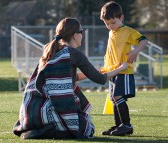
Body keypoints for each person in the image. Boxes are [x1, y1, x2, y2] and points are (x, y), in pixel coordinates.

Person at [13, 17, 128, 139]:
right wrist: (121, 68)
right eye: (81, 31)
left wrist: (101, 71)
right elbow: (100, 79)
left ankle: (41, 128)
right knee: (86, 129)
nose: (82, 35)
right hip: (52, 108)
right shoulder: (73, 53)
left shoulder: (52, 50)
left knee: (81, 124)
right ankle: (49, 129)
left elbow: (73, 77)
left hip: (33, 111)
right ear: (75, 35)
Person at [99, 1, 148, 136]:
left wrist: (135, 51)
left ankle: (127, 125)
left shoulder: (128, 31)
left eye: (113, 23)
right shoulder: (112, 32)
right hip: (112, 71)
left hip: (123, 70)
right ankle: (119, 125)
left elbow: (144, 40)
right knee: (114, 98)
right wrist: (105, 68)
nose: (110, 26)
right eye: (107, 24)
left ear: (121, 18)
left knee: (117, 96)